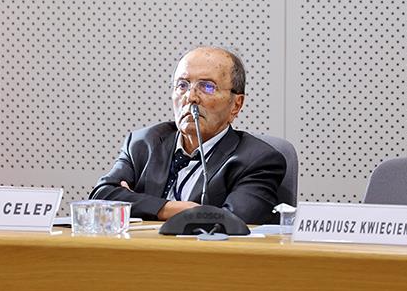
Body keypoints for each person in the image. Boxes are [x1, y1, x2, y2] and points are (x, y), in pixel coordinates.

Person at [89, 46, 286, 224]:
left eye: (207, 87)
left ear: (236, 104)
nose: (190, 97)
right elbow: (101, 199)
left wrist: (135, 202)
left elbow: (234, 221)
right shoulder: (144, 143)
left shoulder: (257, 160)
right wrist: (171, 209)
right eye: (182, 85)